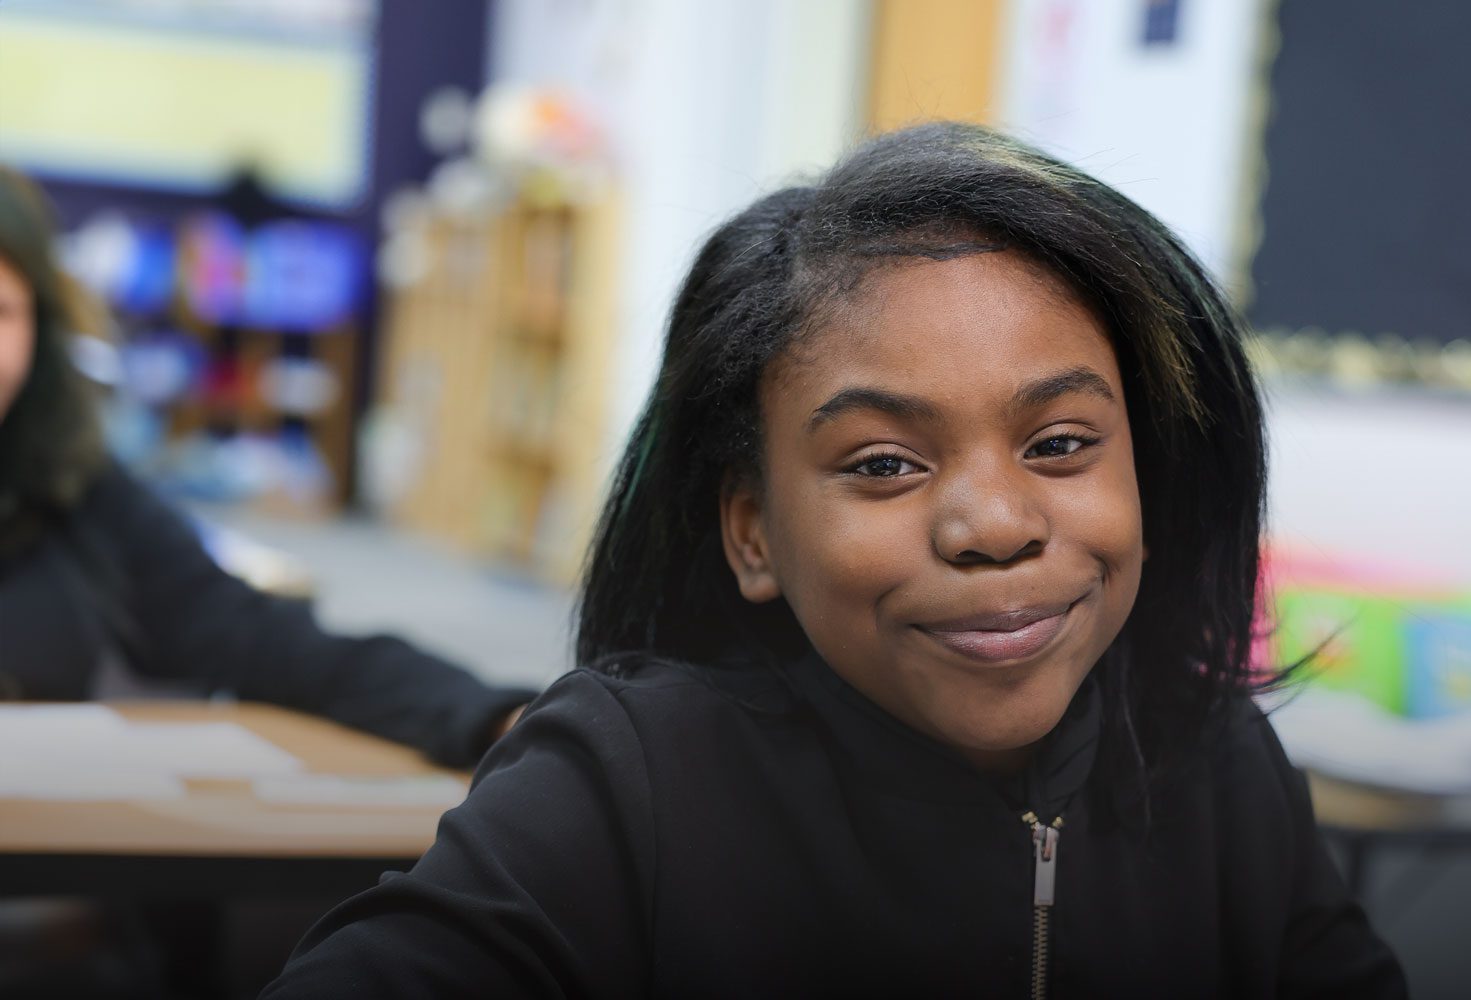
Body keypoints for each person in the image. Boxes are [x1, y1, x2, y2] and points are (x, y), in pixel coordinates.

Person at [263, 123, 1408, 998]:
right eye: (883, 465)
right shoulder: (631, 782)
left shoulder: (1214, 766)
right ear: (753, 531)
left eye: (1059, 444)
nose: (992, 523)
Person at [0, 163, 535, 767]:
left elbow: (264, 641)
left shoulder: (72, 484)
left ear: (41, 332)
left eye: (1, 312)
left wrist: (494, 718)